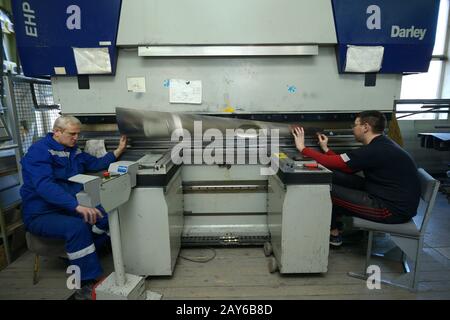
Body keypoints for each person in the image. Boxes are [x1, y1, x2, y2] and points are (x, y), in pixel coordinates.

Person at [20, 115, 127, 299]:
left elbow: (96, 163)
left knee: (107, 212)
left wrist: (118, 151)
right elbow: (44, 185)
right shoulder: (39, 151)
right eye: (72, 134)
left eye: (78, 134)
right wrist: (76, 206)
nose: (76, 138)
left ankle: (85, 250)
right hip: (42, 213)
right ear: (57, 132)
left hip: (67, 207)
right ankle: (85, 283)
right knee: (76, 227)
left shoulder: (73, 151)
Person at [291, 111, 421, 247]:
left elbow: (335, 163)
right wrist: (326, 149)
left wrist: (302, 148)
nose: (353, 128)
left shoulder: (374, 150)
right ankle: (334, 229)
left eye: (355, 125)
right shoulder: (381, 144)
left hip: (391, 210)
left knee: (324, 189)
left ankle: (333, 232)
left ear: (365, 127)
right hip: (386, 196)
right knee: (333, 175)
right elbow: (346, 167)